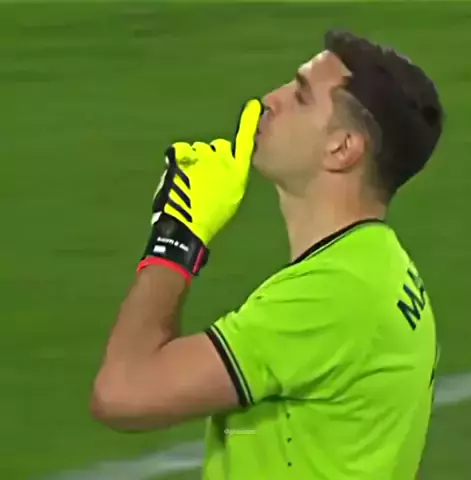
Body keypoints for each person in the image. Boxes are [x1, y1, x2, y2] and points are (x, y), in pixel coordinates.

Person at [91, 29, 444, 479]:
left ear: (341, 148)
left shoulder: (331, 298)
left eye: (300, 96)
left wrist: (177, 233)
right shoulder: (385, 270)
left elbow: (123, 391)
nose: (268, 101)